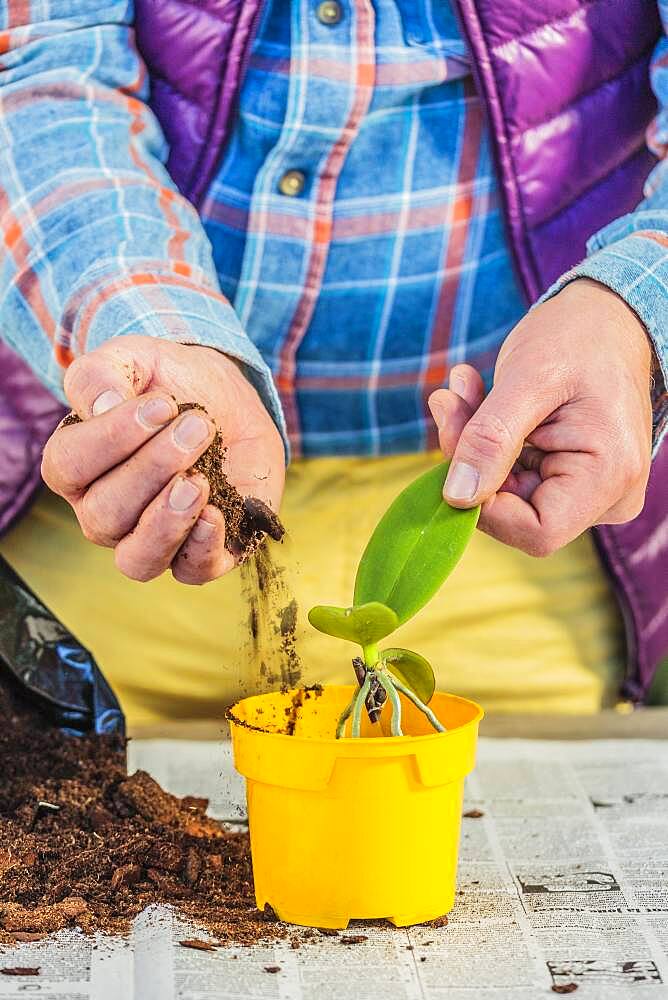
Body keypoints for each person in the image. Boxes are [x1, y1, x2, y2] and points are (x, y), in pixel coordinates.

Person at [0, 1, 666, 726]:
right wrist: (144, 318)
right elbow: (38, 63)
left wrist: (632, 307)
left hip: (501, 524)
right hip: (124, 515)